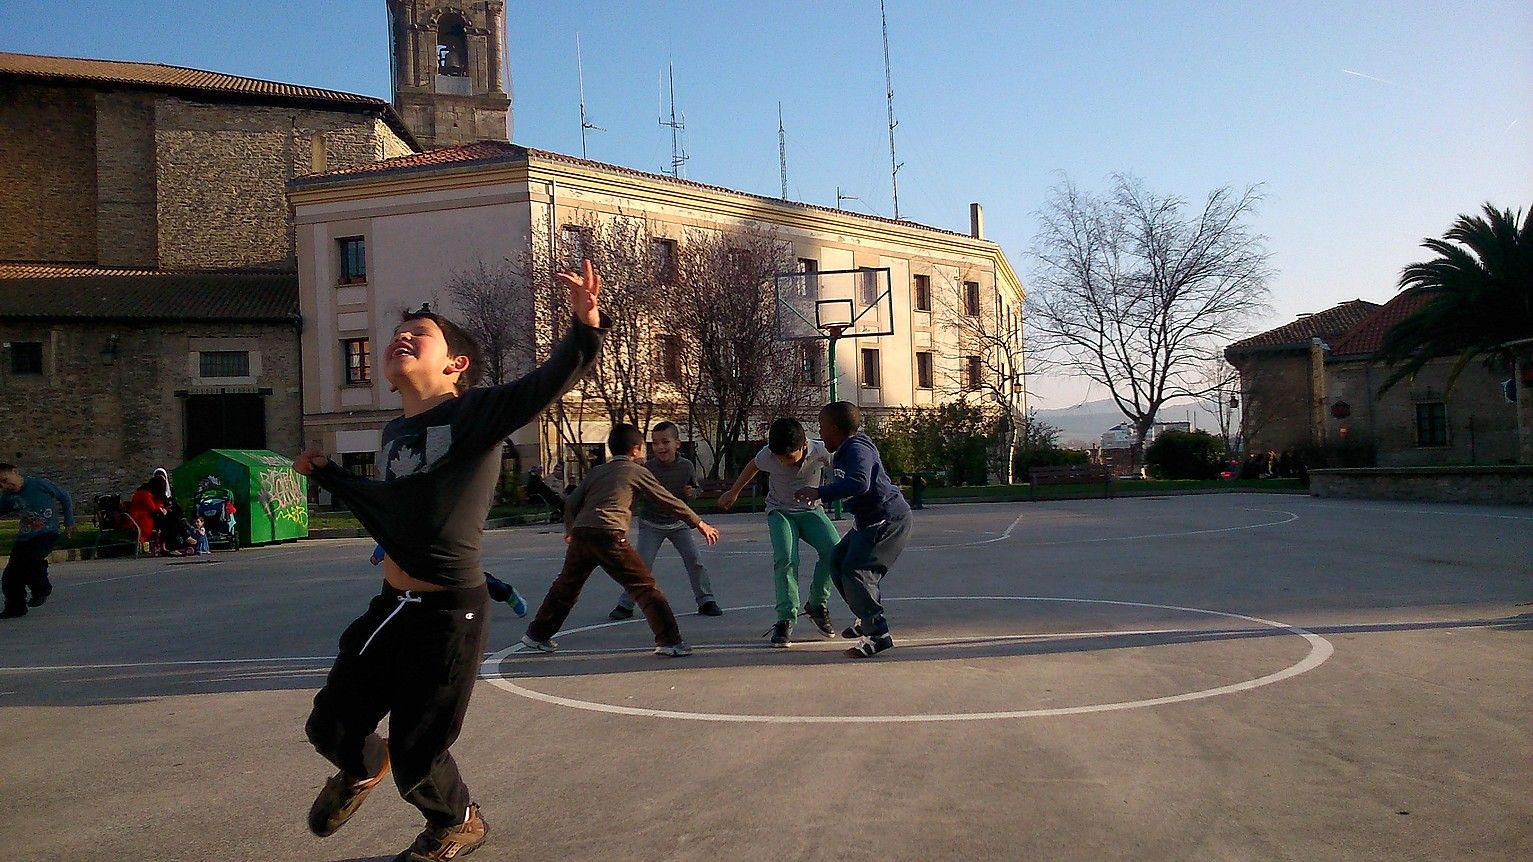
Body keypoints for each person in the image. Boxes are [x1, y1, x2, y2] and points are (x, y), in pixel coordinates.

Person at [293, 260, 609, 862]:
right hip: (392, 607)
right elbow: (390, 511)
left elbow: (542, 385)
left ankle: (458, 822)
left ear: (455, 365)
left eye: (421, 334)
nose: (401, 338)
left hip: (448, 617)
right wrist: (332, 474)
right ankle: (362, 769)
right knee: (329, 726)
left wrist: (585, 327)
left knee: (419, 754)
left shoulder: (474, 414)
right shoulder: (391, 434)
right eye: (397, 334)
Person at [521, 423, 720, 657]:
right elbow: (667, 499)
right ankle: (670, 641)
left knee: (566, 586)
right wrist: (699, 523)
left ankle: (536, 635)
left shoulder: (597, 471)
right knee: (645, 587)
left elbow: (572, 502)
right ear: (636, 449)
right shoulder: (636, 470)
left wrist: (569, 529)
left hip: (583, 534)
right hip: (609, 535)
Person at [793, 402, 913, 659]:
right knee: (837, 560)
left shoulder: (857, 448)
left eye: (823, 428)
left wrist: (819, 493)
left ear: (835, 429)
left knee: (856, 571)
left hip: (887, 519)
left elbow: (860, 482)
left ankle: (878, 634)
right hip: (868, 520)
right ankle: (864, 617)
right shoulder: (845, 448)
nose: (821, 433)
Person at [718, 417, 839, 647]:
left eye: (790, 458)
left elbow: (839, 469)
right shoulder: (768, 455)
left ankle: (816, 604)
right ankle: (785, 619)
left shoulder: (821, 451)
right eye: (779, 458)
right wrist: (734, 492)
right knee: (786, 558)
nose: (784, 463)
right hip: (780, 512)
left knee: (834, 550)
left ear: (804, 446)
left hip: (811, 511)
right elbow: (753, 466)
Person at [608, 421, 722, 621]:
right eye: (655, 443)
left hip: (678, 524)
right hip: (652, 523)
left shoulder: (686, 466)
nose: (660, 447)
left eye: (665, 442)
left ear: (677, 444)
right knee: (641, 564)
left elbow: (696, 488)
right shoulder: (647, 468)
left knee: (694, 560)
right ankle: (625, 604)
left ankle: (706, 600)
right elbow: (634, 494)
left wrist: (692, 492)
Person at [0, 463, 75, 619]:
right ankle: (16, 607)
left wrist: (69, 521)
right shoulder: (7, 497)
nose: (5, 486)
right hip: (25, 537)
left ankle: (41, 588)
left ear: (15, 471)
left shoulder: (38, 484)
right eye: (0, 484)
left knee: (31, 558)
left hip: (46, 533)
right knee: (10, 575)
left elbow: (64, 496)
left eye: (5, 480)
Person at [370, 543, 527, 617]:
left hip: (444, 547)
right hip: (418, 559)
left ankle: (506, 593)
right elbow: (391, 535)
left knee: (467, 579)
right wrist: (379, 553)